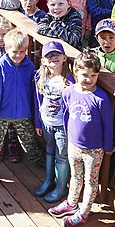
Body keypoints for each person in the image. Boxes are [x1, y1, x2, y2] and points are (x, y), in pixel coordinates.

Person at [48, 51, 114, 227]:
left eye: (94, 75)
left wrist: (108, 146)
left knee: (91, 182)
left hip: (94, 150)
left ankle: (84, 211)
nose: (89, 79)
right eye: (85, 74)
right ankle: (71, 202)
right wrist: (69, 136)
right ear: (76, 72)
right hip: (73, 145)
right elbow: (66, 114)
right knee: (75, 176)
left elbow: (108, 125)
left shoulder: (101, 99)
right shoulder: (68, 92)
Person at [0, 29, 42, 193]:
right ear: (6, 49)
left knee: (30, 144)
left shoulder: (29, 66)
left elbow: (34, 94)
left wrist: (36, 118)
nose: (18, 55)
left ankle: (44, 165)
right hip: (2, 114)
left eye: (21, 52)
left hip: (23, 114)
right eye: (14, 52)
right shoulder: (1, 66)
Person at [34, 40, 74, 202]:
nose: (53, 58)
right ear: (43, 60)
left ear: (64, 58)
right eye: (49, 56)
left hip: (62, 125)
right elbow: (37, 100)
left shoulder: (70, 80)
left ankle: (61, 187)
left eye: (57, 55)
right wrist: (38, 122)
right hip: (46, 122)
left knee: (62, 156)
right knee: (49, 150)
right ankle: (49, 181)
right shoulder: (39, 77)